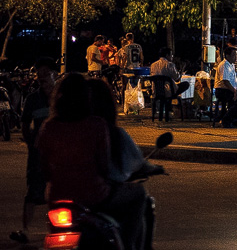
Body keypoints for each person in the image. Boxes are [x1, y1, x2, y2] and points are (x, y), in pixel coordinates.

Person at [33, 74, 119, 245]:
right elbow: (104, 166)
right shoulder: (97, 125)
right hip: (94, 195)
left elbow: (43, 167)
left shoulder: (49, 127)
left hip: (57, 195)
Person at [84, 78, 149, 250]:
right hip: (97, 194)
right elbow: (129, 164)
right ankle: (128, 244)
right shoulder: (107, 131)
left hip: (63, 194)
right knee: (139, 193)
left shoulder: (62, 130)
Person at [11, 59, 57, 244]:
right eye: (39, 74)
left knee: (59, 192)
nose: (41, 78)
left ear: (54, 74)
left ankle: (59, 229)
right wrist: (31, 143)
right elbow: (25, 124)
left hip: (60, 154)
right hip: (38, 154)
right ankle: (25, 230)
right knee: (33, 191)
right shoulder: (32, 99)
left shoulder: (62, 98)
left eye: (45, 74)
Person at [213, 43, 237, 125]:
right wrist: (234, 92)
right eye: (234, 55)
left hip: (229, 89)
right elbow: (225, 81)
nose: (235, 58)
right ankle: (226, 120)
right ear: (227, 56)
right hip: (222, 90)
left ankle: (234, 119)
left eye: (236, 55)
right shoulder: (224, 64)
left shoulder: (231, 65)